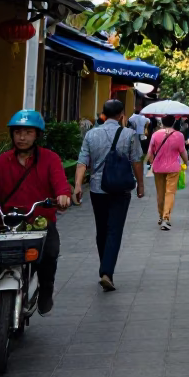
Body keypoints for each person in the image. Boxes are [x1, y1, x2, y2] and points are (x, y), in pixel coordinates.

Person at [0, 110, 71, 315]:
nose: (22, 137)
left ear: (37, 135)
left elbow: (60, 183)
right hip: (7, 220)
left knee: (50, 253)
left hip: (39, 220)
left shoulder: (50, 159)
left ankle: (46, 290)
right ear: (12, 135)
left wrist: (63, 196)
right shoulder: (1, 161)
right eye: (18, 132)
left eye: (28, 132)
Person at [74, 99, 144, 292]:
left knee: (102, 229)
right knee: (115, 230)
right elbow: (137, 161)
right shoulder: (129, 134)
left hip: (98, 189)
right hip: (121, 189)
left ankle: (105, 267)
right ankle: (107, 271)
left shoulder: (91, 134)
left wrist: (78, 185)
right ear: (121, 115)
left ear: (103, 115)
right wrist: (140, 185)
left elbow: (82, 162)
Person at [148, 113, 187, 230]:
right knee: (170, 192)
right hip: (173, 168)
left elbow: (150, 152)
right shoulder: (179, 135)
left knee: (160, 192)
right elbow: (183, 151)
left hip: (158, 168)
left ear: (162, 123)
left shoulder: (155, 135)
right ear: (174, 122)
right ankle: (166, 218)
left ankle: (161, 216)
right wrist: (186, 162)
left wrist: (151, 163)